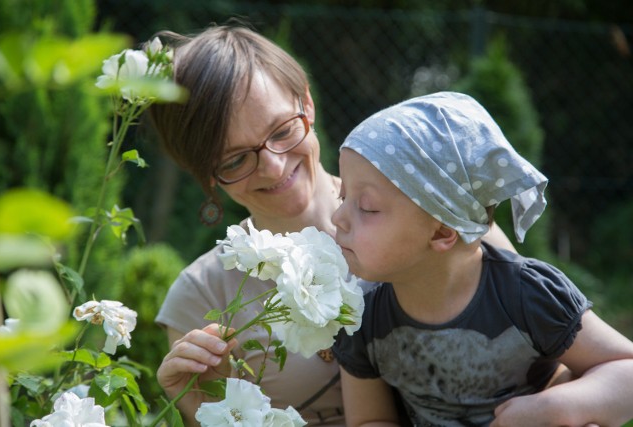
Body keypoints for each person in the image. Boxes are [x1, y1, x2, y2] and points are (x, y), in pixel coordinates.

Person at [148, 24, 519, 427]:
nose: (273, 166)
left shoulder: (434, 219)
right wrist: (200, 402)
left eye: (282, 131)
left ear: (306, 104)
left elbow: (553, 347)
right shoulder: (201, 297)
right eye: (235, 159)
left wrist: (548, 408)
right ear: (206, 174)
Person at [330, 91, 633, 427]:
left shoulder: (525, 295)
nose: (337, 217)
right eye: (343, 196)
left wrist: (555, 407)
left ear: (442, 232)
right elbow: (369, 419)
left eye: (367, 207)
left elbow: (627, 372)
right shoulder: (361, 313)